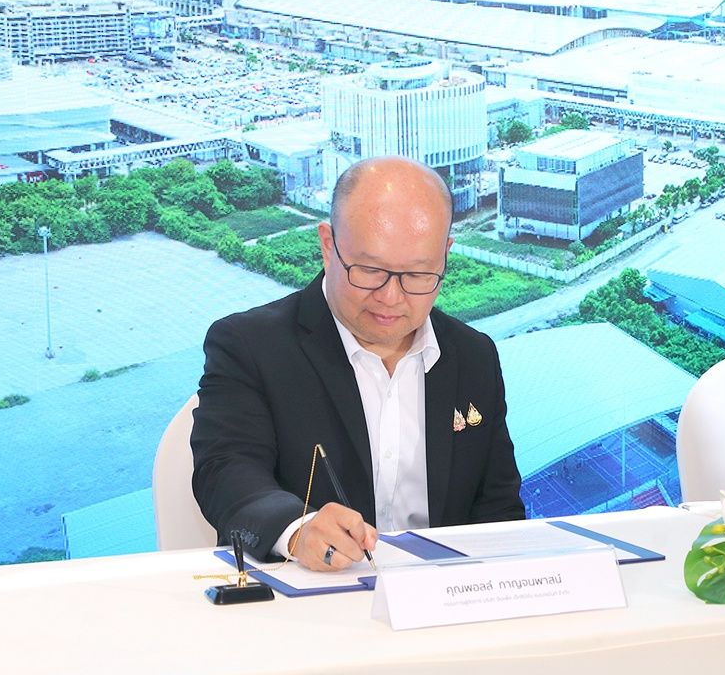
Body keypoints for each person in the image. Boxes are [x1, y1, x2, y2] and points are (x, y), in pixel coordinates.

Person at [191, 156, 525, 569]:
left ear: (445, 256)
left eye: (418, 275)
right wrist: (297, 530)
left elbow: (499, 509)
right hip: (314, 592)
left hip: (442, 592)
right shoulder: (249, 345)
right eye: (369, 270)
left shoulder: (473, 355)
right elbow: (226, 472)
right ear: (328, 245)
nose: (390, 297)